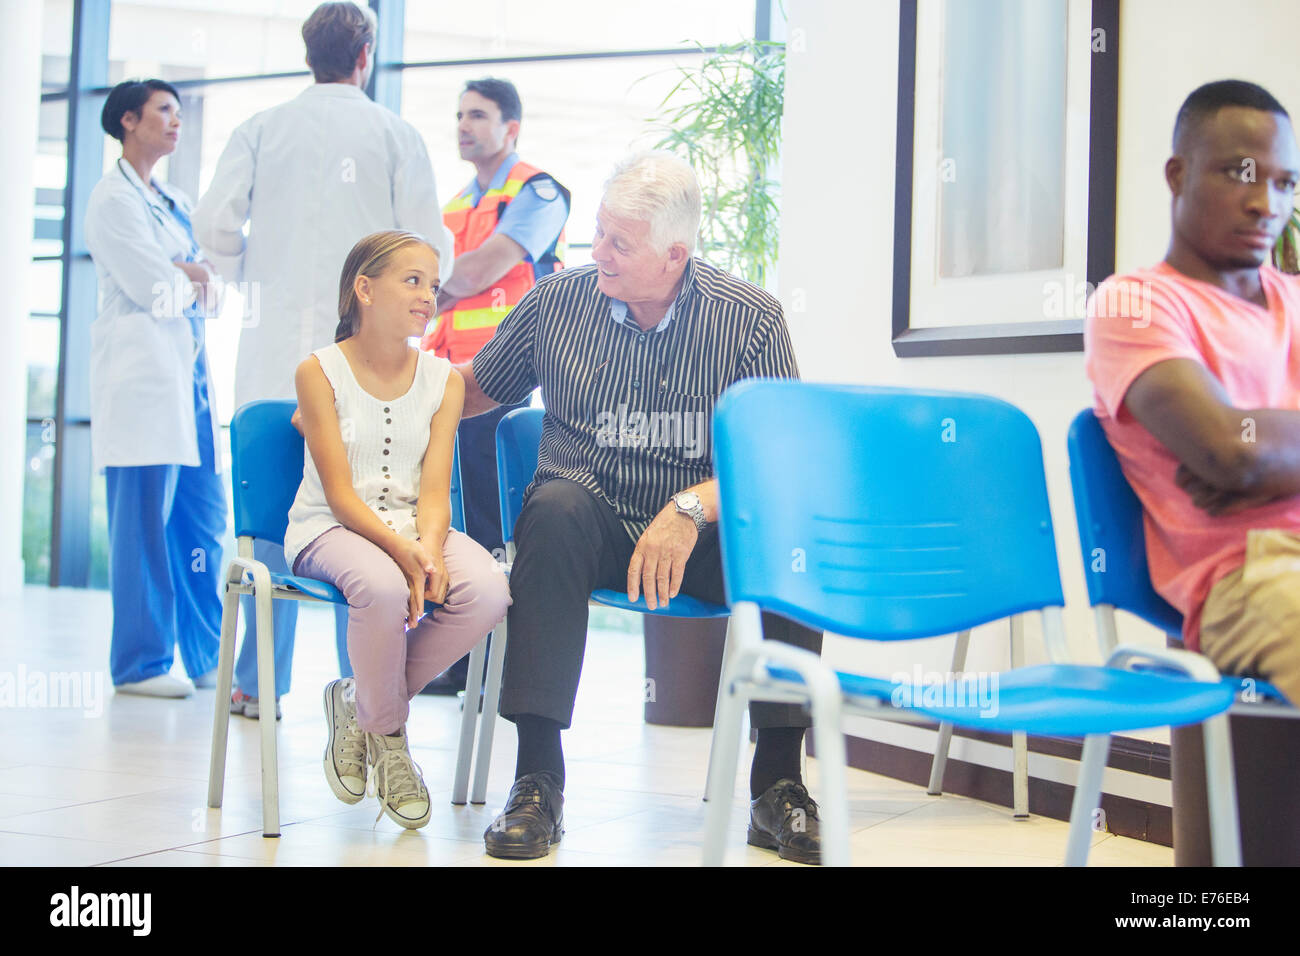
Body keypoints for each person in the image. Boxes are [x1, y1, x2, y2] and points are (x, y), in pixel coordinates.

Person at [459, 151, 826, 863]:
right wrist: (363, 389)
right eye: (598, 233)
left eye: (618, 244)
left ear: (674, 256)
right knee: (554, 505)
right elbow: (474, 389)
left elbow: (777, 464)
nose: (598, 253)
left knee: (789, 538)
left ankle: (777, 784)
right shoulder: (558, 303)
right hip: (590, 520)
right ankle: (538, 777)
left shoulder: (749, 321)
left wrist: (691, 506)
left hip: (700, 536)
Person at [193, 0, 455, 720]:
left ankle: (256, 685)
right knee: (368, 512)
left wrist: (246, 262)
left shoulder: (260, 129)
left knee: (270, 519)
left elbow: (213, 222)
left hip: (273, 357)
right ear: (365, 57)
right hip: (363, 365)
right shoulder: (395, 135)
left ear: (308, 55)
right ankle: (363, 685)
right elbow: (431, 247)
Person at [1086, 79, 1300, 706]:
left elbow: (1249, 448)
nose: (1266, 203)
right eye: (1242, 175)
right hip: (1255, 575)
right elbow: (1231, 454)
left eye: (1285, 183)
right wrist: (1248, 456)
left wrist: (1267, 453)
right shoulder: (1134, 303)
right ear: (1177, 175)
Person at [287, 230, 510, 828]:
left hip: (415, 526)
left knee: (489, 590)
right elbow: (337, 495)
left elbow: (436, 490)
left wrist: (428, 552)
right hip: (332, 527)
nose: (426, 297)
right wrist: (404, 556)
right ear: (364, 288)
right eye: (412, 281)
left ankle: (361, 704)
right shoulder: (318, 371)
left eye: (433, 286)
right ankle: (391, 743)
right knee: (383, 588)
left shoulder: (446, 381)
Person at [419, 77, 569, 694]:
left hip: (501, 381)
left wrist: (432, 282)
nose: (463, 125)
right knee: (452, 521)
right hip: (446, 380)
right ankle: (459, 658)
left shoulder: (536, 190)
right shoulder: (454, 203)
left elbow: (484, 267)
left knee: (490, 520)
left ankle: (493, 665)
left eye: (477, 115)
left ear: (511, 127)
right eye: (458, 115)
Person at [84, 79, 226, 698]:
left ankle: (204, 657)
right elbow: (159, 289)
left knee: (203, 520)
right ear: (129, 120)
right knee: (143, 521)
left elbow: (209, 289)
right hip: (141, 384)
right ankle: (140, 663)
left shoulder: (172, 201)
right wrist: (188, 276)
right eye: (163, 111)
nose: (175, 121)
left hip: (188, 379)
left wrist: (192, 277)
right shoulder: (111, 201)